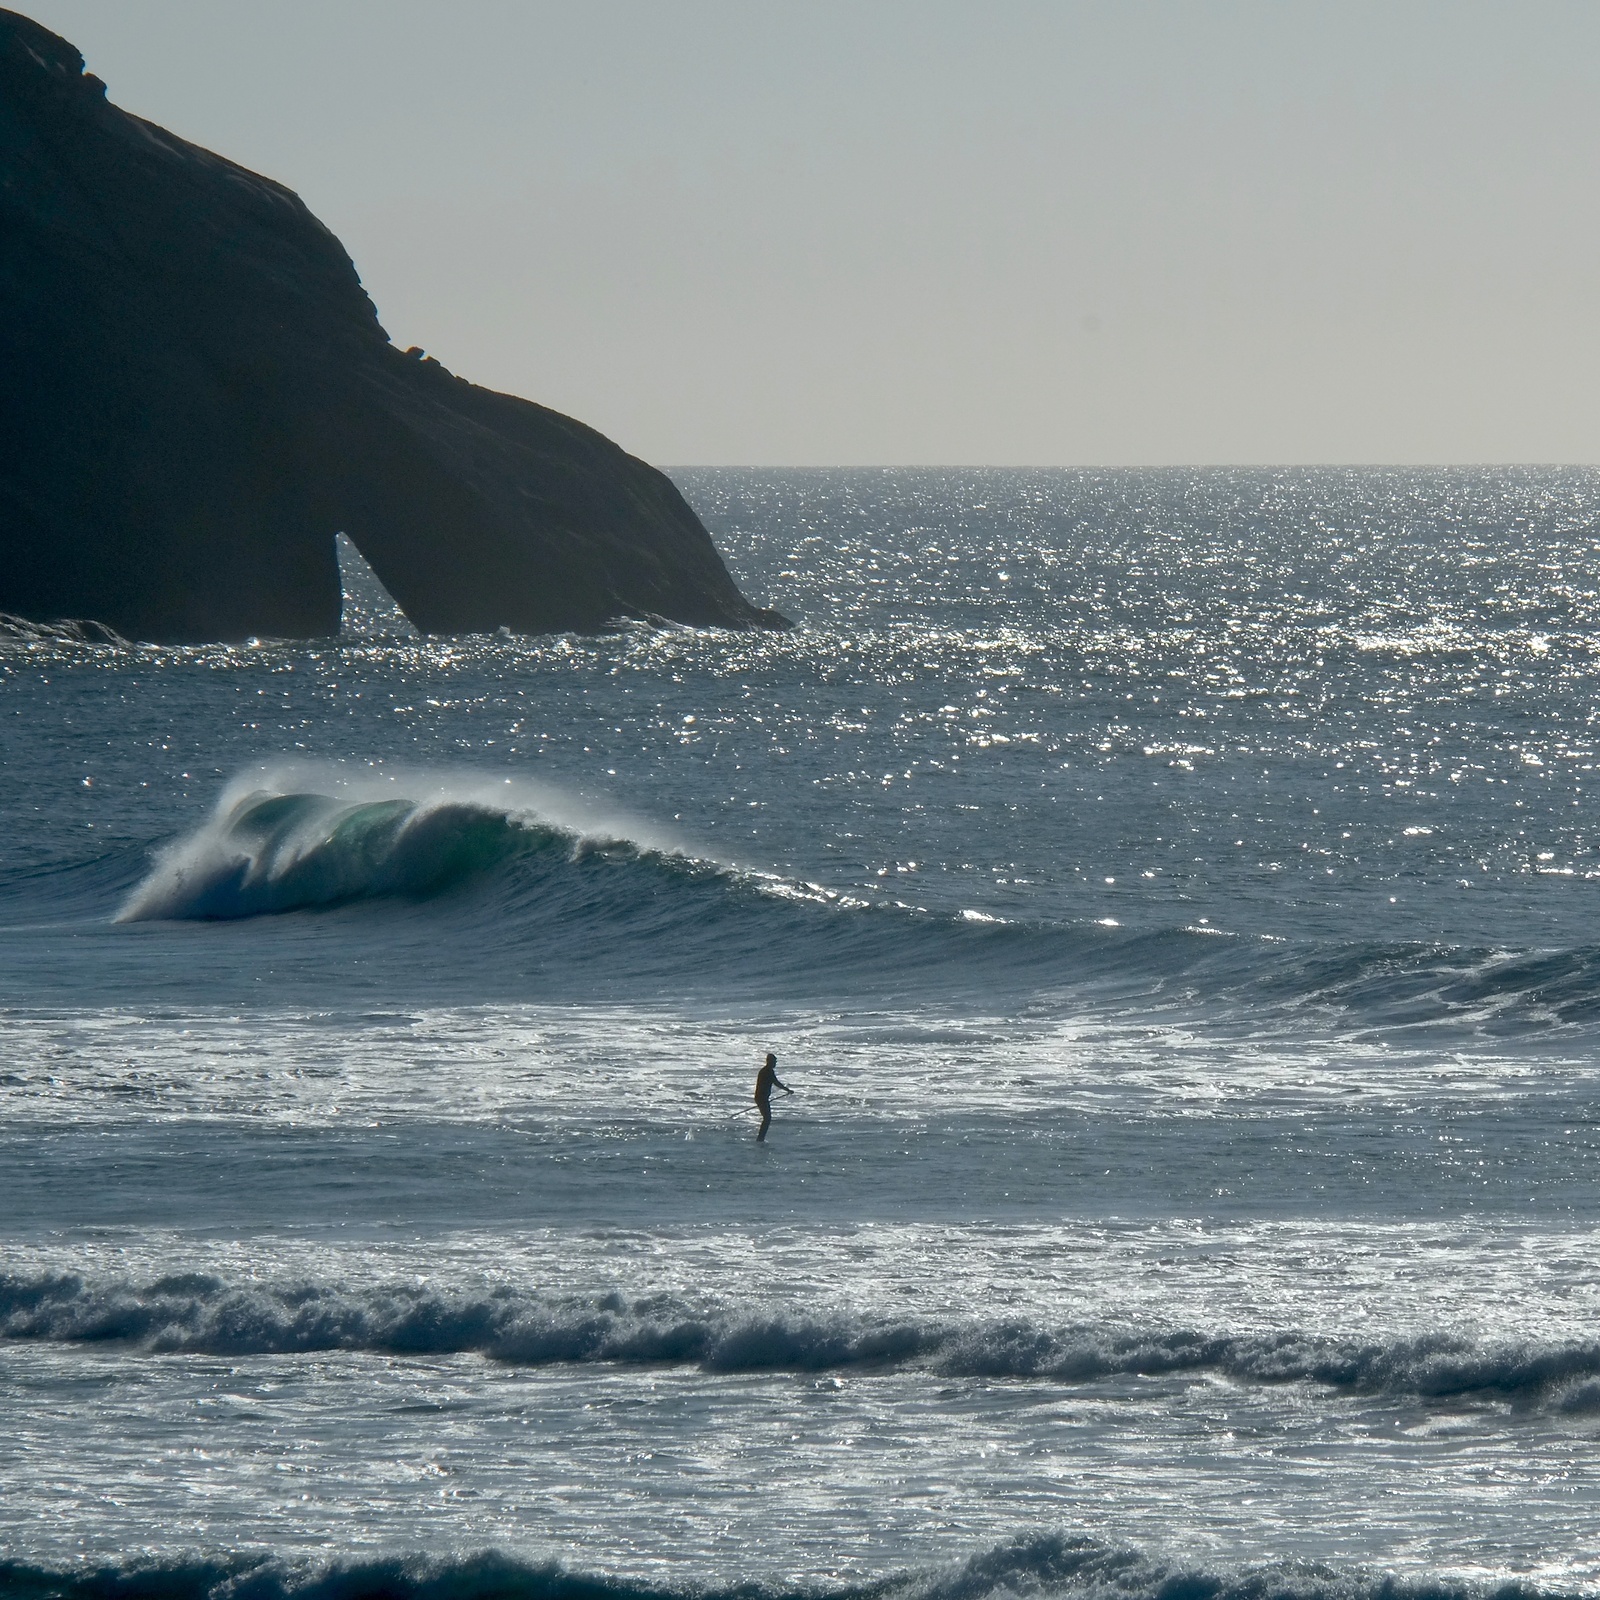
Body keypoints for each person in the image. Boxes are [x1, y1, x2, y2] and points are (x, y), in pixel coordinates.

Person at [753, 1052, 791, 1141]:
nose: (775, 1063)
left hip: (762, 1098)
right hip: (761, 1098)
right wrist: (787, 1090)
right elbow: (776, 1083)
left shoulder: (768, 1071)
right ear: (769, 1061)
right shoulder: (767, 1071)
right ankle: (760, 1139)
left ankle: (760, 1138)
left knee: (767, 1118)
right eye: (774, 1061)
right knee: (767, 1118)